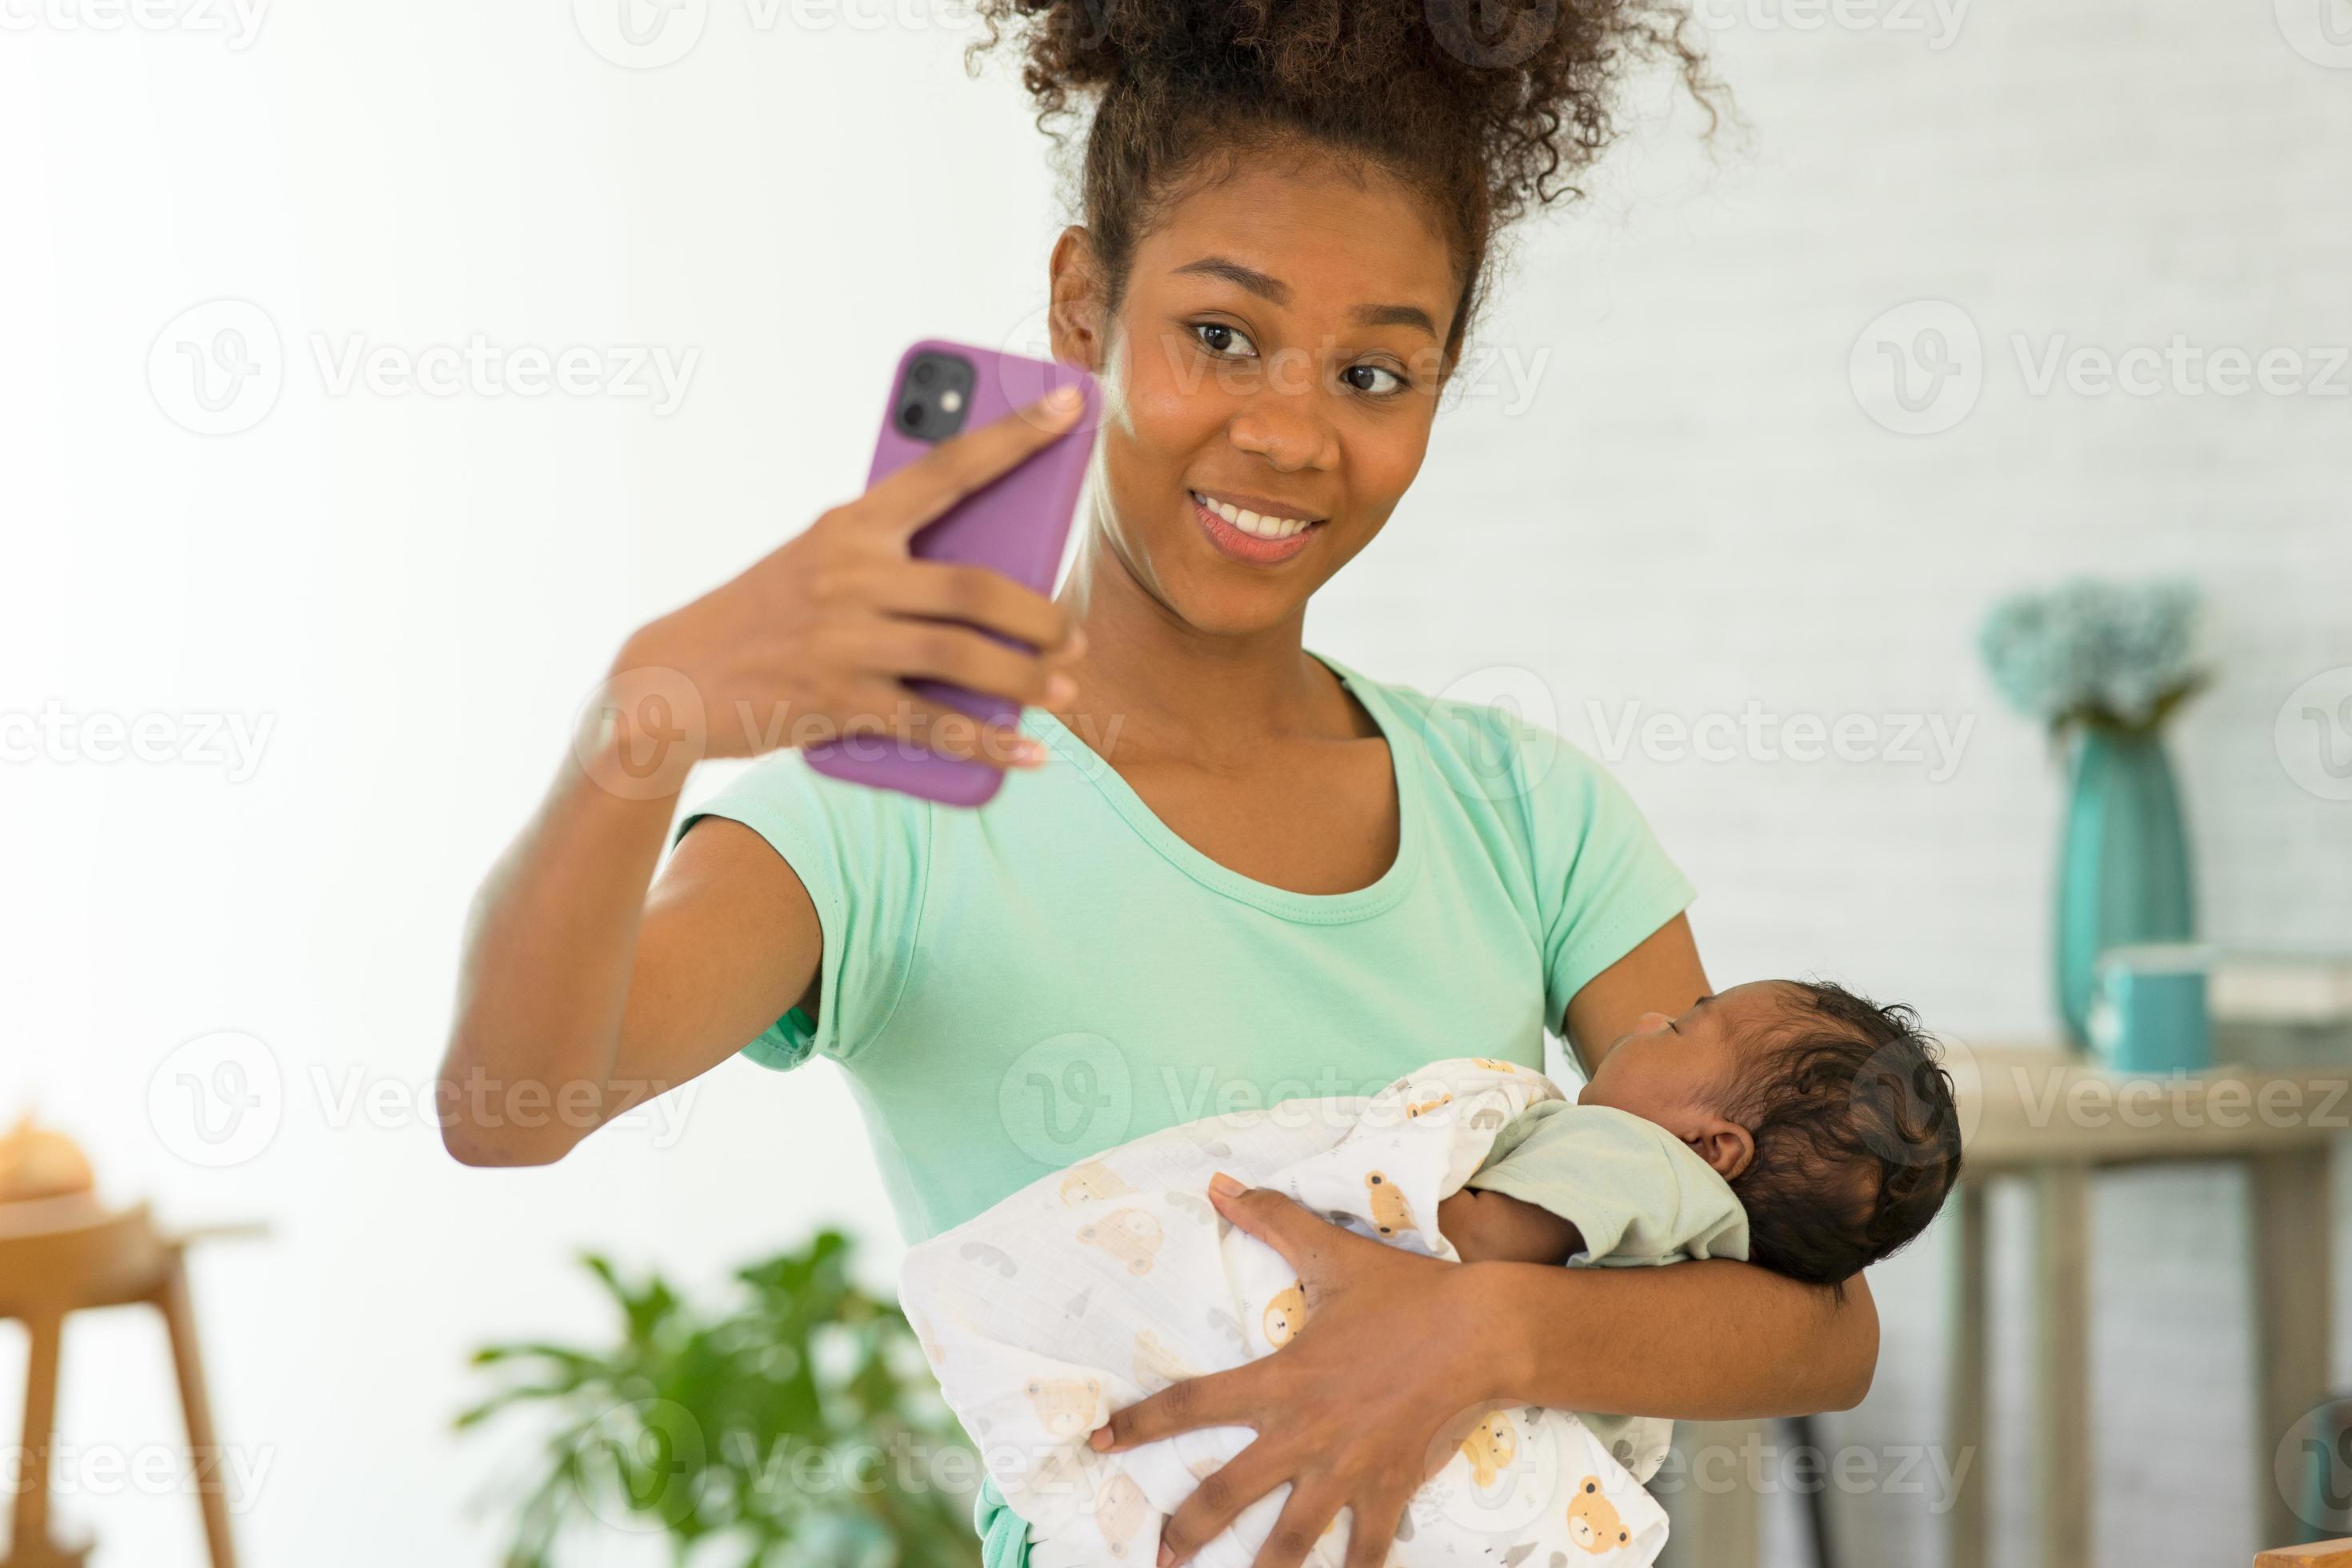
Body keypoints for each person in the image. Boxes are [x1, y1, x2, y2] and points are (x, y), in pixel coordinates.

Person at [438, 2, 1894, 1563]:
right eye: (1221, 334)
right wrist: (640, 724)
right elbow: (513, 1104)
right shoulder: (890, 807)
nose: (1289, 431)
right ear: (1083, 306)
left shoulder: (1526, 808)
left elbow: (1817, 1323)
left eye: (1375, 373)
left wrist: (1476, 1332)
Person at [896, 981, 1962, 1564]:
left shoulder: (1634, 1160)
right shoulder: (1697, 1231)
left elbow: (1478, 1249)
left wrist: (1393, 1218)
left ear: (1718, 1145)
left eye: (1686, 1026)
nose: (1648, 1018)